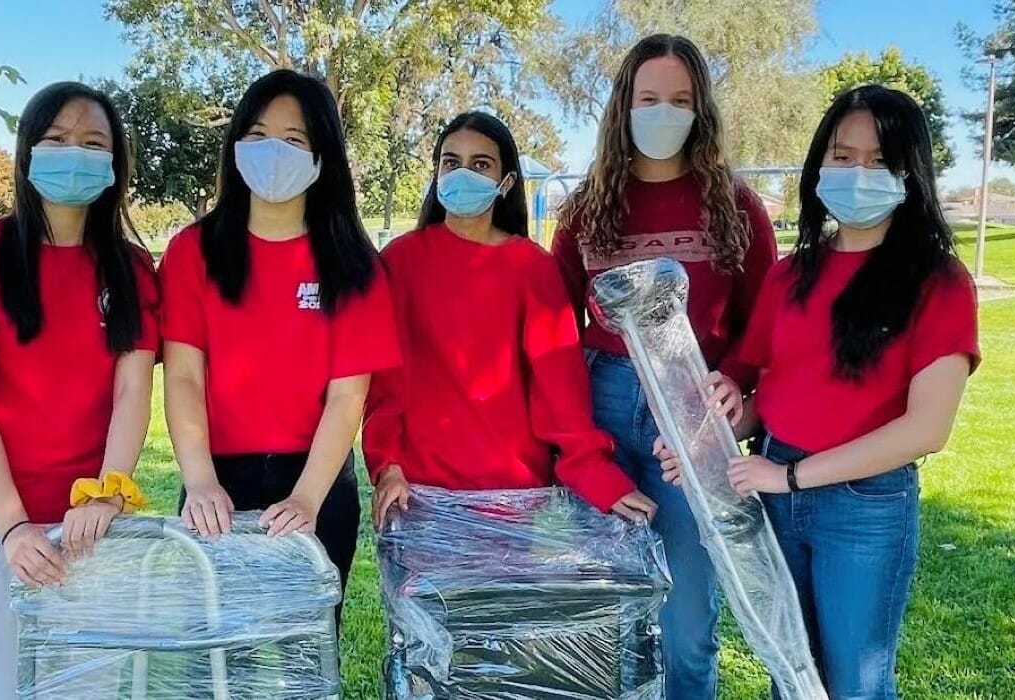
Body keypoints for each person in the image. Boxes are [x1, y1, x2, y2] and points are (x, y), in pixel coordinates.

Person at [657, 85, 980, 698]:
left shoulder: (938, 282)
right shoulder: (791, 273)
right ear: (819, 164)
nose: (857, 173)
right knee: (792, 674)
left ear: (912, 174)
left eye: (880, 161)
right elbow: (757, 397)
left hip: (863, 507)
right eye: (842, 155)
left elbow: (926, 429)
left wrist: (792, 477)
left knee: (856, 683)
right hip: (775, 497)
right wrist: (701, 442)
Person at [549, 33, 777, 699]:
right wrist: (574, 445)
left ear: (701, 110)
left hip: (693, 416)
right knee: (608, 606)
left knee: (686, 615)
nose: (663, 111)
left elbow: (763, 324)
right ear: (623, 106)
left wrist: (733, 379)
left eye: (680, 100)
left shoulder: (736, 205)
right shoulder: (586, 209)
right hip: (603, 404)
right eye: (649, 98)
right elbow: (552, 328)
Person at [0, 81, 159, 699]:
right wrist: (13, 527)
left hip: (93, 526)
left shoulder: (135, 271)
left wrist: (108, 495)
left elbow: (132, 394)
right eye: (57, 140)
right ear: (28, 152)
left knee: (90, 688)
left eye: (93, 143)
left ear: (114, 165)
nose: (74, 154)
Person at [159, 70, 400, 622]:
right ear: (236, 143)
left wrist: (306, 500)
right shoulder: (193, 251)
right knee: (218, 656)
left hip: (316, 480)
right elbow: (183, 377)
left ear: (322, 157)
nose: (274, 153)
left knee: (305, 654)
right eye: (259, 134)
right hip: (216, 484)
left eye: (294, 140)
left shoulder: (353, 263)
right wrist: (199, 482)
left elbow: (348, 399)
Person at [364, 111, 656, 531]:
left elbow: (559, 388)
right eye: (451, 162)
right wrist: (386, 465)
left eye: (481, 164)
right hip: (418, 493)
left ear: (506, 183)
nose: (463, 173)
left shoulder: (532, 269)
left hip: (511, 497)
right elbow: (384, 384)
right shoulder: (400, 262)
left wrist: (594, 472)